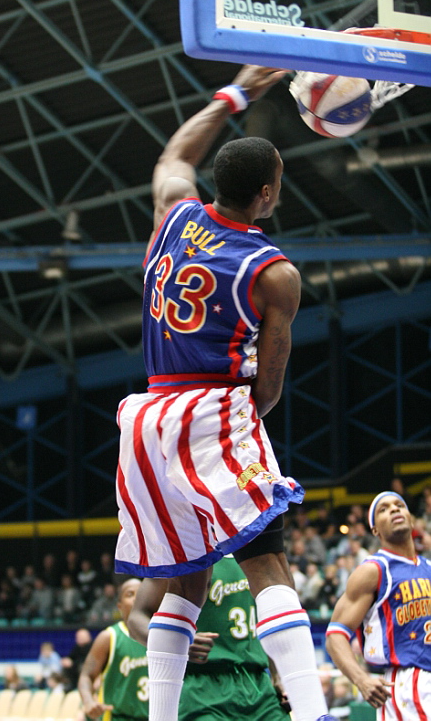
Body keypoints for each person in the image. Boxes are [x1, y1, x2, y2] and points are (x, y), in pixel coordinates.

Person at [114, 64, 333, 721]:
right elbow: (267, 388)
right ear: (266, 195)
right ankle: (313, 711)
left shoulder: (173, 215)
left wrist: (237, 93)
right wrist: (233, 431)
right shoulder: (273, 273)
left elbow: (174, 155)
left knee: (185, 575)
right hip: (209, 408)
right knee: (268, 561)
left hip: (145, 418)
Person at [129, 554, 290, 721]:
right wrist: (176, 643)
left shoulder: (255, 550)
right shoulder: (184, 551)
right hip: (203, 687)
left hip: (258, 684)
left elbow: (267, 621)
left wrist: (277, 675)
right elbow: (136, 618)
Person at [325, 490, 431, 717]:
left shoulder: (428, 568)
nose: (394, 509)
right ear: (375, 530)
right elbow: (335, 635)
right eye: (384, 509)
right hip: (410, 681)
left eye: (399, 505)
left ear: (411, 518)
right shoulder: (373, 570)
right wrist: (360, 678)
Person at [78, 579, 146, 720]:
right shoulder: (109, 637)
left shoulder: (161, 636)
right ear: (119, 606)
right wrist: (88, 701)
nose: (136, 598)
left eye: (141, 593)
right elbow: (86, 676)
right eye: (130, 594)